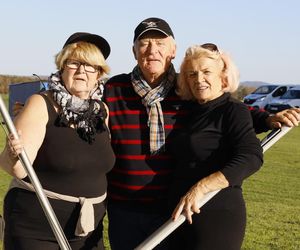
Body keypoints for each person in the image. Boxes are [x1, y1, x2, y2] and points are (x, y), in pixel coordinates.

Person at [103, 17, 300, 250]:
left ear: (173, 50)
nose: (152, 50)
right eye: (144, 43)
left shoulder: (184, 89)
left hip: (170, 208)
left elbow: (222, 109)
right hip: (125, 210)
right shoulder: (114, 89)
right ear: (134, 51)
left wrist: (266, 118)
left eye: (160, 43)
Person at [0, 32, 115, 250]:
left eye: (90, 65)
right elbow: (14, 168)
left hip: (89, 231)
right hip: (37, 229)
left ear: (99, 74)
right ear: (62, 68)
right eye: (74, 63)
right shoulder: (41, 104)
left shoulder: (102, 111)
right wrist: (12, 154)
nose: (82, 70)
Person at [168, 43, 262, 250]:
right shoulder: (190, 110)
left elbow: (252, 157)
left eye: (206, 72)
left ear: (223, 76)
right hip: (180, 213)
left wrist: (201, 188)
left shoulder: (234, 110)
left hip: (216, 214)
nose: (199, 79)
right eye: (192, 74)